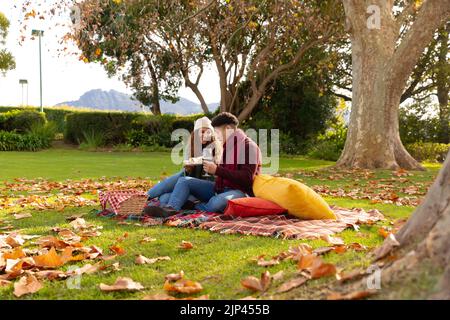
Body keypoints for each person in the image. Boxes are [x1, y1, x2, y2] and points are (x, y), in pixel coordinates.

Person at [144, 112, 262, 217]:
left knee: (217, 203)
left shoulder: (249, 147)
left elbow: (247, 178)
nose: (215, 135)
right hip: (219, 188)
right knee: (184, 180)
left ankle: (194, 205)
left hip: (239, 191)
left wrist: (216, 170)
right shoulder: (227, 146)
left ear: (227, 129)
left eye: (216, 132)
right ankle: (171, 209)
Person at [145, 116, 221, 207]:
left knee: (180, 178)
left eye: (208, 132)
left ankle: (145, 197)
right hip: (189, 183)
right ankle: (144, 197)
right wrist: (189, 165)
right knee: (164, 198)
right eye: (202, 131)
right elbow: (187, 169)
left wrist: (196, 160)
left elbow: (213, 166)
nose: (205, 135)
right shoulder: (191, 146)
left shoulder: (215, 147)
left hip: (206, 186)